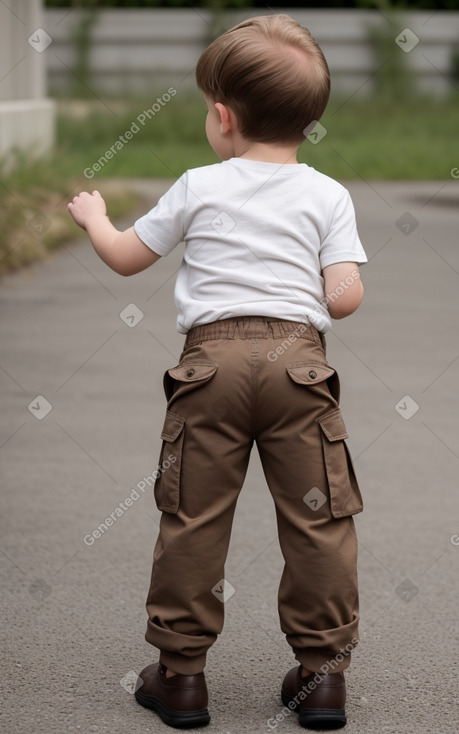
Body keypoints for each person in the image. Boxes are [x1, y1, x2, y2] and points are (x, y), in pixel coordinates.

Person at [68, 13, 367, 730]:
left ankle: (180, 676)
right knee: (319, 519)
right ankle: (320, 678)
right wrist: (317, 290)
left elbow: (127, 256)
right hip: (299, 366)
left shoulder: (199, 185)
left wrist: (93, 217)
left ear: (223, 117)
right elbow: (345, 296)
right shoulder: (327, 195)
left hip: (211, 367)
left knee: (193, 517)